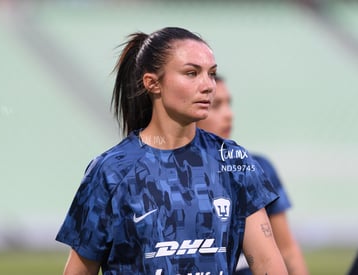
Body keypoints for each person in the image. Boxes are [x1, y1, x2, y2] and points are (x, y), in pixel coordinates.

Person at [56, 27, 288, 275]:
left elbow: (266, 264)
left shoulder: (232, 161)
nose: (208, 85)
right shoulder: (111, 171)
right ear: (153, 83)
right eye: (191, 73)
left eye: (211, 74)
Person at [197, 75, 309, 275]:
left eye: (228, 104)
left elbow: (287, 250)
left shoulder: (256, 168)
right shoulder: (168, 176)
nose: (228, 114)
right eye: (216, 106)